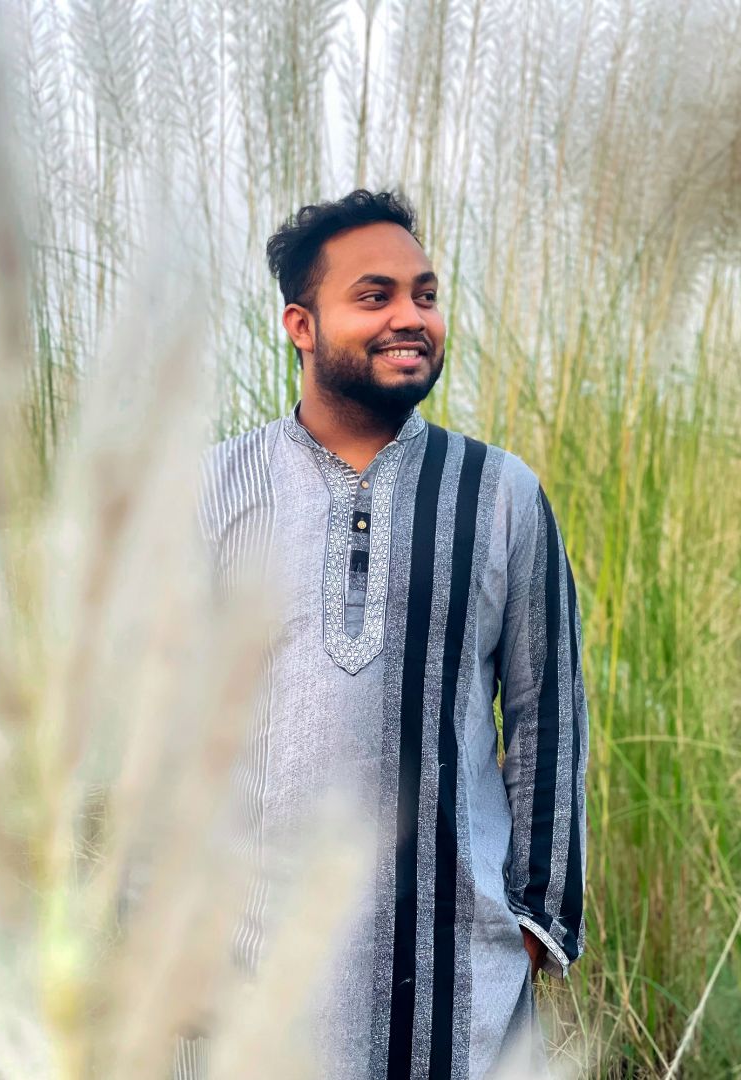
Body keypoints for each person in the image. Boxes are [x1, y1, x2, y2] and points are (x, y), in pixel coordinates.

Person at [198, 190, 588, 1079]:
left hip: (458, 988)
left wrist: (531, 921)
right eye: (374, 296)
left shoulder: (501, 495)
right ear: (301, 325)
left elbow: (549, 713)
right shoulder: (214, 493)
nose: (411, 317)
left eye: (425, 294)